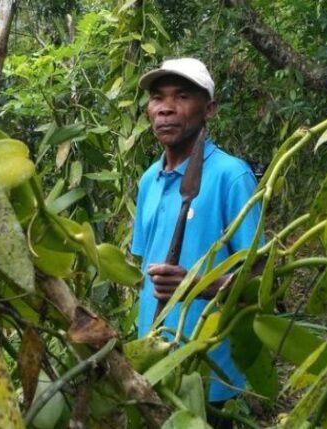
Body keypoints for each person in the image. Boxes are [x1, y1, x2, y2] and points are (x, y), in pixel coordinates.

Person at [131, 58, 263, 421]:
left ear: (209, 110)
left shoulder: (231, 176)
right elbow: (142, 269)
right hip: (154, 363)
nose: (166, 108)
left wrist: (199, 285)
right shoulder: (148, 180)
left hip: (210, 372)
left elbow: (263, 279)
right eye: (158, 98)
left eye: (182, 96)